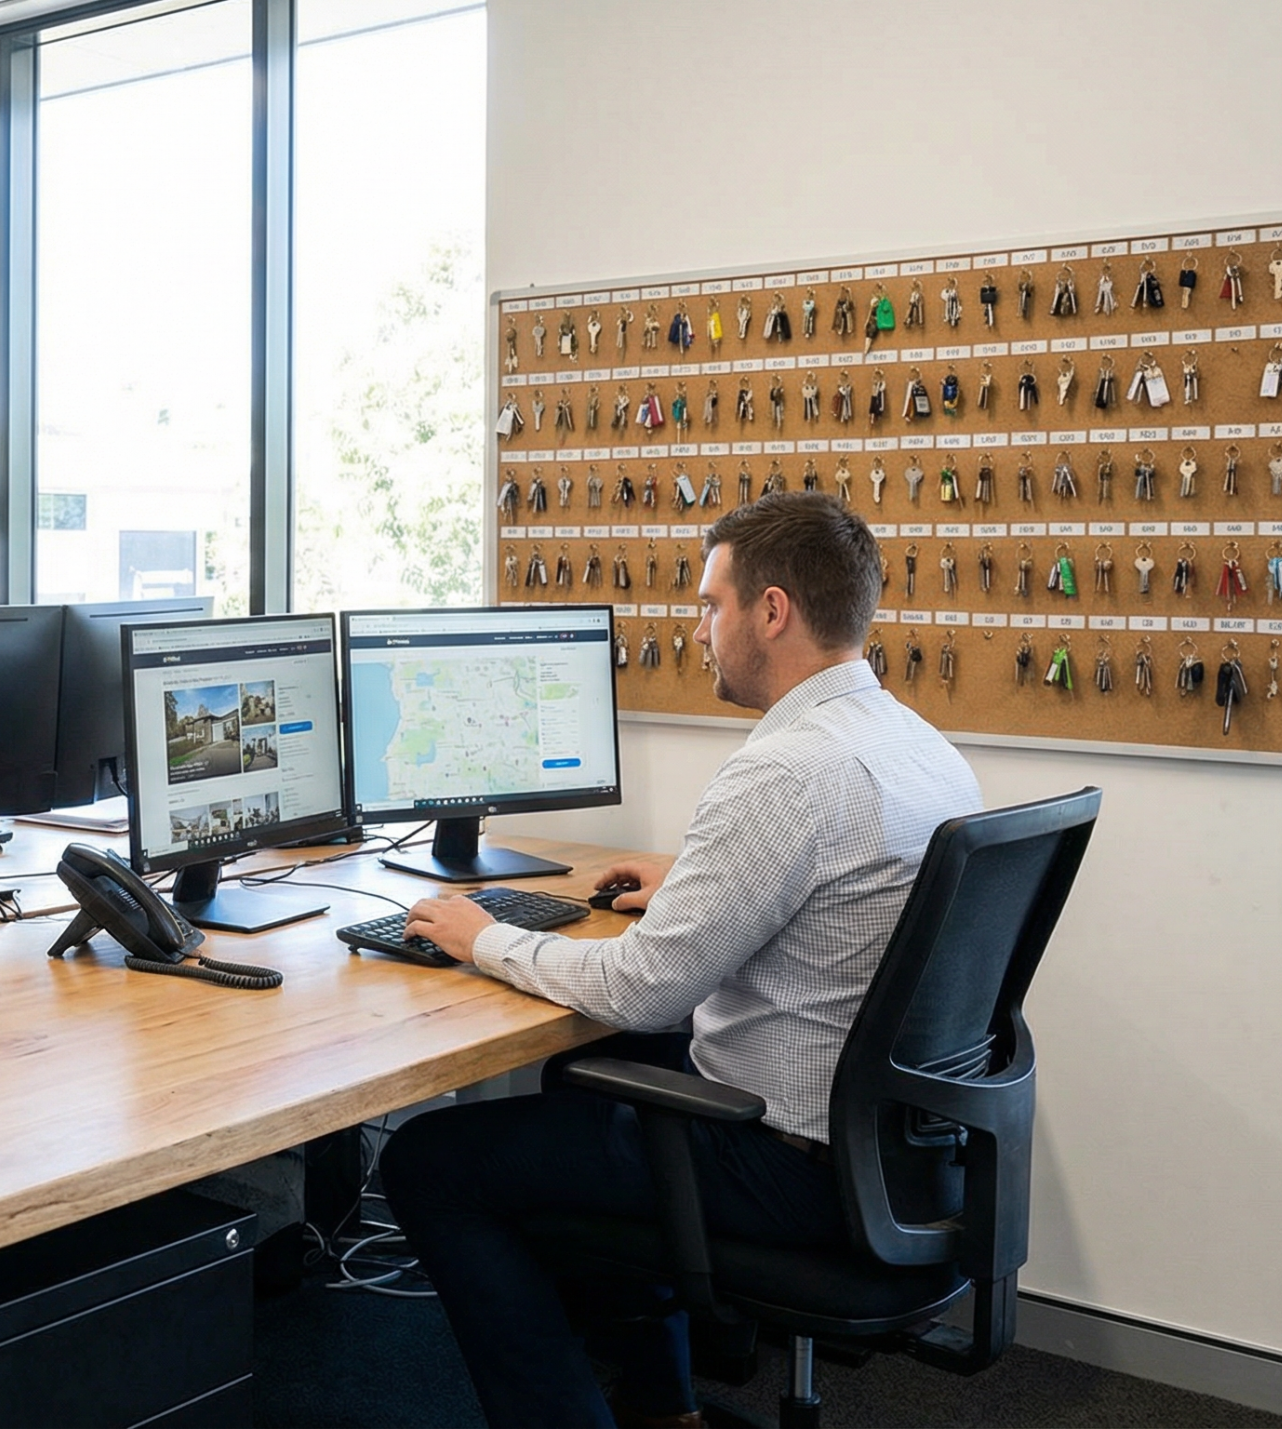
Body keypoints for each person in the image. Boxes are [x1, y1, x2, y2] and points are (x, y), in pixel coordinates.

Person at [381, 491, 982, 1429]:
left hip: (791, 1163)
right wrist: (693, 876)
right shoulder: (916, 744)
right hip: (897, 1148)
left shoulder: (786, 771)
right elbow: (833, 889)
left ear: (771, 611)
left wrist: (480, 935)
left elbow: (644, 990)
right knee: (576, 1077)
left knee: (428, 1161)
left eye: (710, 604)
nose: (699, 628)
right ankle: (666, 1409)